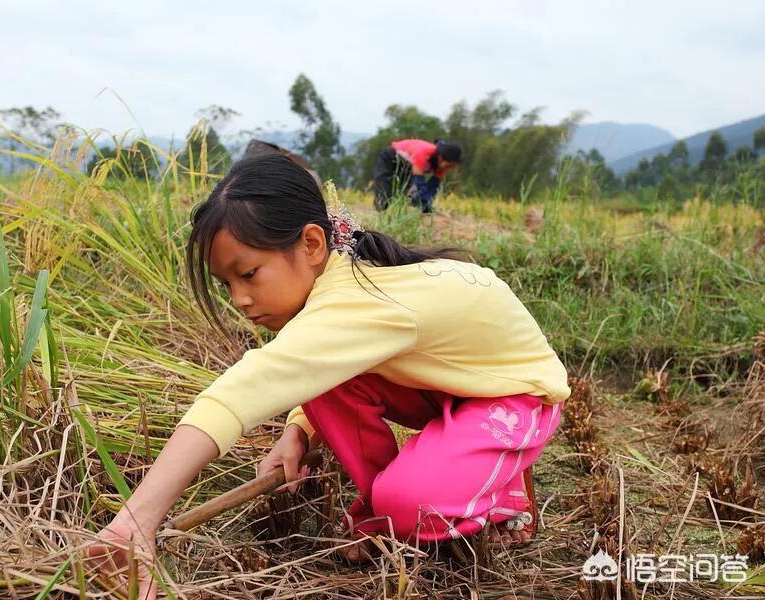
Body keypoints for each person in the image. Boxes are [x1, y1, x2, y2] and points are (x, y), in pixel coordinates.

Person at [88, 154, 569, 597]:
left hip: (514, 394)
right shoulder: (339, 280)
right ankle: (386, 509)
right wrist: (300, 427)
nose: (239, 299)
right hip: (447, 382)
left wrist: (136, 521)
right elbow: (319, 365)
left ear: (313, 243)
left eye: (249, 274)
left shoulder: (359, 300)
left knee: (415, 507)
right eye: (227, 284)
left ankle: (498, 495)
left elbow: (242, 390)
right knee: (325, 390)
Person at [373, 138, 461, 213]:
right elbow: (418, 183)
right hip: (391, 156)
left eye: (452, 167)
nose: (449, 169)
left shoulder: (442, 167)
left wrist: (425, 204)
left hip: (407, 165)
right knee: (384, 186)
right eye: (449, 165)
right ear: (441, 158)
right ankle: (381, 209)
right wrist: (419, 199)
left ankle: (398, 212)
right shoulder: (423, 152)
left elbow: (433, 187)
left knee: (402, 192)